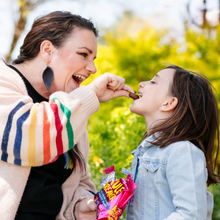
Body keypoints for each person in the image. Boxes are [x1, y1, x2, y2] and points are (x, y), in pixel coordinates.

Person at [0, 11, 134, 220]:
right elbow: (29, 141)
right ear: (47, 51)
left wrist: (80, 207)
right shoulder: (3, 81)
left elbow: (78, 182)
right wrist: (89, 95)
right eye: (83, 54)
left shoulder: (69, 107)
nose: (93, 68)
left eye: (93, 58)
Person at [122, 65, 219, 219]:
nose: (141, 83)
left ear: (168, 103)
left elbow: (191, 215)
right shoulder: (147, 151)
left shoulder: (182, 151)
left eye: (153, 82)